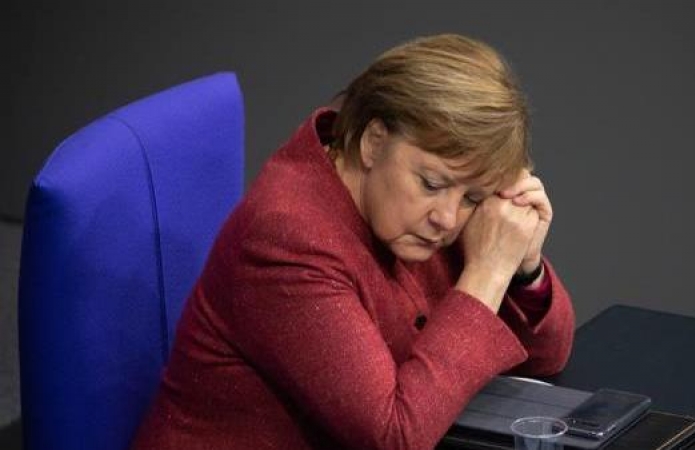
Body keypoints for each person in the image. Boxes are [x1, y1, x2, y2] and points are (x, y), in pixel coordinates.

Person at [131, 33, 574, 450]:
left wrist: (523, 268)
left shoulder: (424, 204)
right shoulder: (286, 240)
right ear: (373, 141)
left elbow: (547, 357)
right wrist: (487, 272)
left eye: (473, 197)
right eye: (431, 183)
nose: (446, 218)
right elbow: (394, 437)